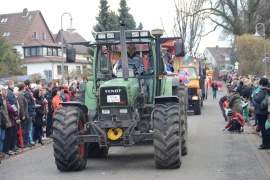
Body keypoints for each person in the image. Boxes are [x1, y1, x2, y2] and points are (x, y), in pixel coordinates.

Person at [253, 77, 270, 149]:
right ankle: (265, 143)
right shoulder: (267, 90)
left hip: (261, 111)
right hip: (264, 110)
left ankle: (266, 144)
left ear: (261, 84)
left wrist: (254, 95)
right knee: (263, 128)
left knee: (263, 128)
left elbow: (258, 99)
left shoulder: (262, 90)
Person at [2, 86, 19, 156]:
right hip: (7, 118)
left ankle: (7, 149)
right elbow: (10, 108)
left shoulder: (5, 99)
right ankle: (6, 150)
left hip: (8, 118)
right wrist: (15, 114)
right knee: (8, 134)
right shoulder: (4, 99)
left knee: (9, 134)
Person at [5, 80, 19, 152]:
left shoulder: (10, 92)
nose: (14, 85)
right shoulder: (10, 93)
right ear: (10, 84)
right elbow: (12, 104)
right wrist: (16, 114)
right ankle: (12, 147)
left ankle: (12, 146)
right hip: (12, 115)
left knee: (13, 131)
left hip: (12, 115)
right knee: (13, 131)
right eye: (13, 84)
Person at [24, 79, 36, 146]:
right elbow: (27, 103)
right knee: (28, 128)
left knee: (29, 127)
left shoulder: (29, 92)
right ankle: (26, 141)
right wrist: (33, 101)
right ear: (28, 85)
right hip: (29, 111)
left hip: (31, 111)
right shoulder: (27, 93)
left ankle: (28, 141)